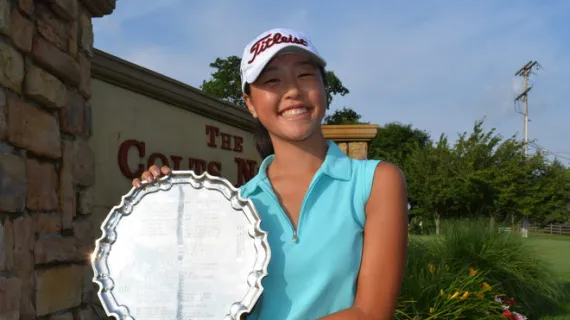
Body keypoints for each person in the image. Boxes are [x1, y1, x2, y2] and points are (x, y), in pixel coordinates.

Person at [133, 28, 408, 320]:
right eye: (273, 80)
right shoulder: (236, 206)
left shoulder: (374, 182)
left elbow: (372, 312)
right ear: (250, 103)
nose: (292, 91)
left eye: (305, 75)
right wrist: (160, 209)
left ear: (323, 89)